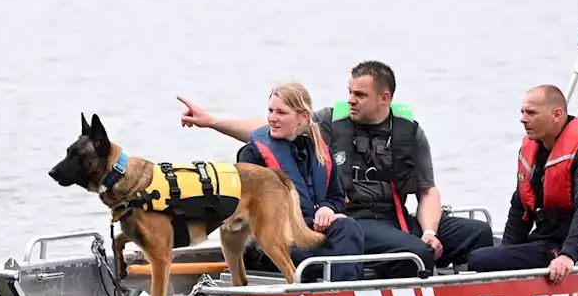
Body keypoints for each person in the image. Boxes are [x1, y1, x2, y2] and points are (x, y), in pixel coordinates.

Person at [179, 61, 492, 279]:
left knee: (476, 232)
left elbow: (427, 191)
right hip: (353, 219)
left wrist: (429, 232)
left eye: (360, 95)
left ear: (385, 98)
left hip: (397, 219)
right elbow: (271, 129)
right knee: (412, 253)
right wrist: (212, 122)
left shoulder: (410, 134)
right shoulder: (329, 122)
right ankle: (379, 288)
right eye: (350, 92)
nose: (351, 100)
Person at [467, 85, 578, 285]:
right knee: (491, 255)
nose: (523, 118)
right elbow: (520, 205)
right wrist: (508, 252)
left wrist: (568, 255)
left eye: (531, 113)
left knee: (480, 259)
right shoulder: (534, 148)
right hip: (547, 238)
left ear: (557, 114)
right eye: (522, 112)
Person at [237, 82, 366, 282]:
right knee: (322, 259)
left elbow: (336, 197)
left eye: (281, 112)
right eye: (270, 111)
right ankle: (330, 291)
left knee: (349, 228)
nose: (272, 118)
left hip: (311, 230)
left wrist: (327, 208)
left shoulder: (319, 151)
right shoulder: (252, 154)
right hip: (272, 238)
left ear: (303, 117)